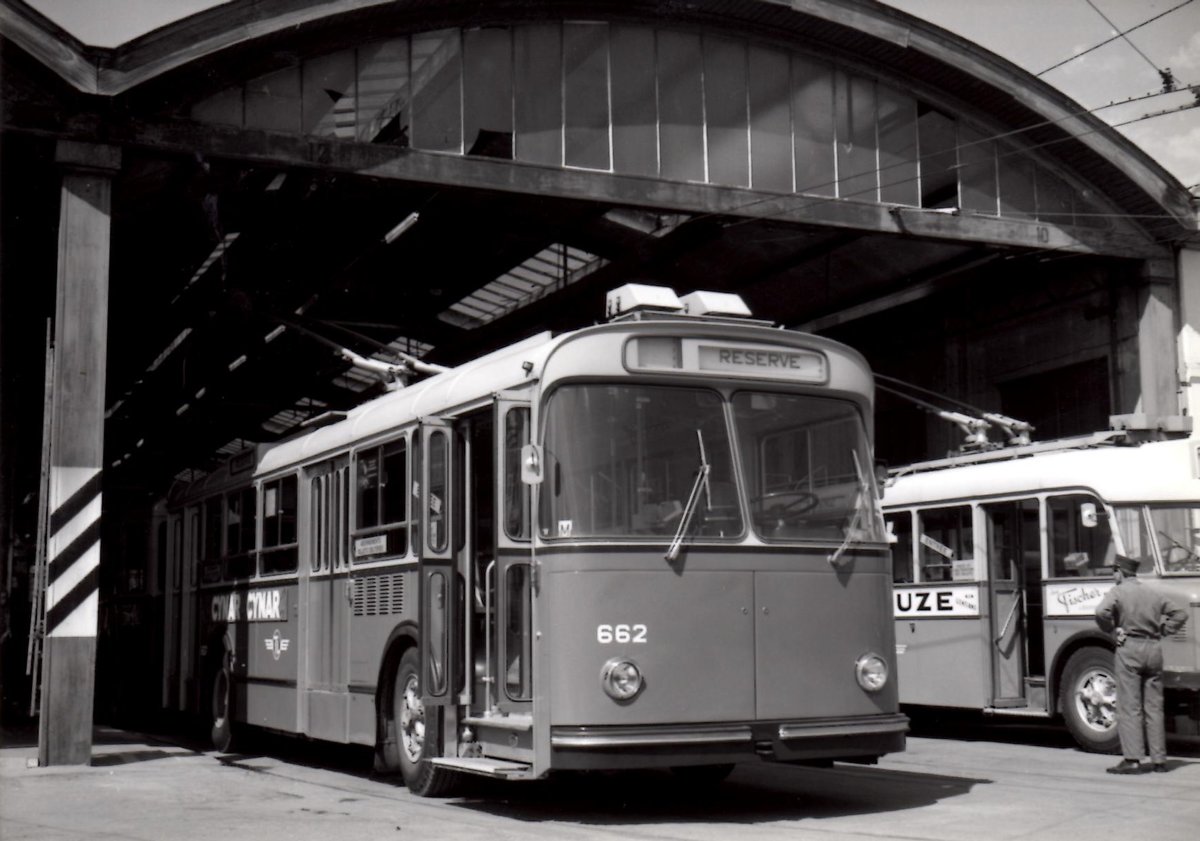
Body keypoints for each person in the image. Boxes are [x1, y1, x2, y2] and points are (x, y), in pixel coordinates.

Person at [1094, 553, 1187, 774]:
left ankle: (1133, 759)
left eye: (1113, 572)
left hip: (1130, 650)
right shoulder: (1152, 592)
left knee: (1130, 706)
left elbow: (1100, 612)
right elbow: (1180, 614)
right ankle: (1159, 761)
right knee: (1154, 707)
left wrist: (1111, 630)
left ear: (1119, 571)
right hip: (1154, 649)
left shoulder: (1118, 591)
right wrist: (1163, 630)